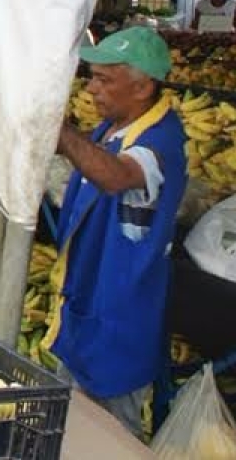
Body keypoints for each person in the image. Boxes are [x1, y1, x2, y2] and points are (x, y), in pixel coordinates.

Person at [46, 26, 186, 439]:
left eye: (104, 79)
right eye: (91, 76)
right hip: (85, 305)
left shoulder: (162, 140)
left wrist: (62, 133)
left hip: (119, 317)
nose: (91, 89)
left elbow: (118, 175)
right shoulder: (109, 130)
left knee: (112, 437)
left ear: (142, 87)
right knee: (70, 429)